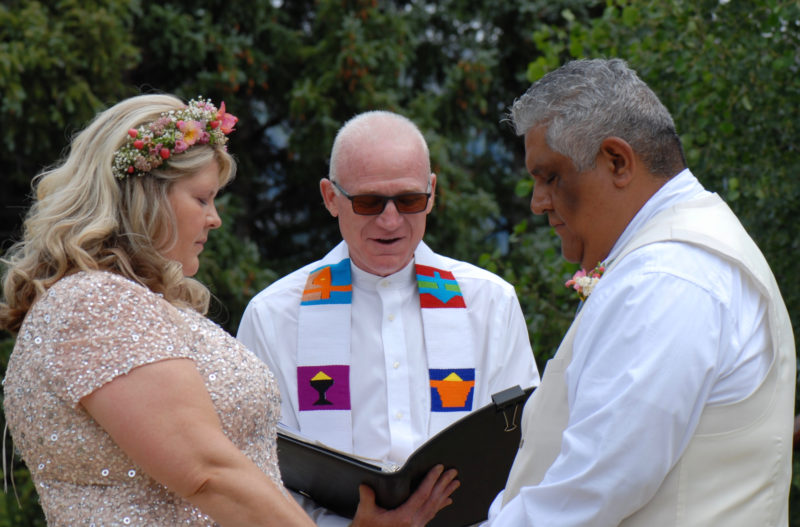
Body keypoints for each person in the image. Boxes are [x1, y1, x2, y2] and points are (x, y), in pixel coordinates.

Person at [484, 58, 795, 526]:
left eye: (550, 176)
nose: (537, 203)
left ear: (617, 161)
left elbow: (589, 492)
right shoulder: (687, 253)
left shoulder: (666, 278)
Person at [0, 94, 320, 526]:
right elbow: (208, 472)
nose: (215, 219)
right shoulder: (97, 305)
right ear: (146, 197)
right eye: (203, 199)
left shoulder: (120, 301)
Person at [237, 110, 541, 526]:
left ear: (432, 193)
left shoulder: (490, 303)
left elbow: (523, 449)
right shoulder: (274, 315)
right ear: (330, 198)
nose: (391, 220)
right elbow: (257, 470)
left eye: (409, 200)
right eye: (369, 202)